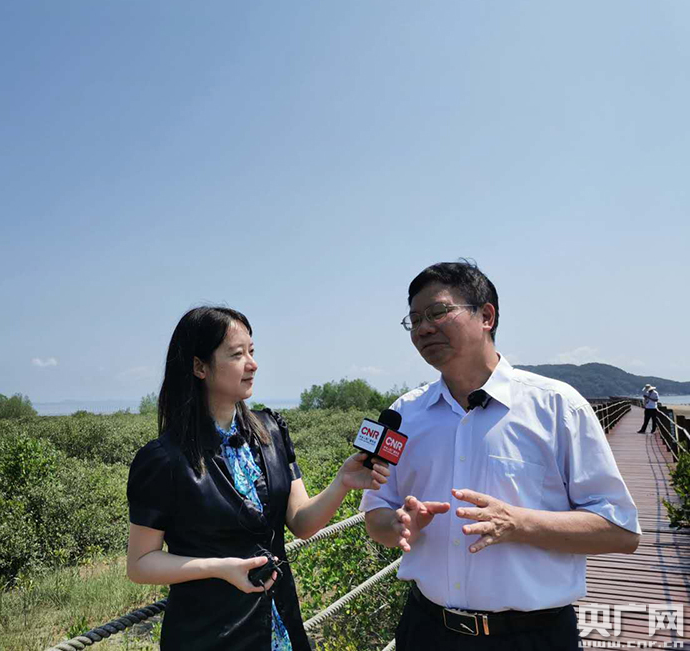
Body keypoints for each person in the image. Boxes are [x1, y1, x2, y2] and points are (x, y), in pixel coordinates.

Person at [360, 260, 641, 650]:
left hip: (532, 637)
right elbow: (376, 515)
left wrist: (518, 523)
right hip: (425, 629)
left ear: (486, 316)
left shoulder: (557, 407)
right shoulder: (404, 414)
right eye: (415, 319)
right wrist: (399, 524)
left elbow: (622, 531)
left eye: (438, 312)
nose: (424, 328)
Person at [126, 306, 390, 650]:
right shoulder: (164, 459)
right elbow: (141, 563)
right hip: (210, 634)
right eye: (237, 355)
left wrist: (342, 482)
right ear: (199, 367)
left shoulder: (271, 432)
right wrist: (220, 568)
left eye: (252, 351)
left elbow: (301, 522)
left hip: (281, 624)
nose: (252, 364)